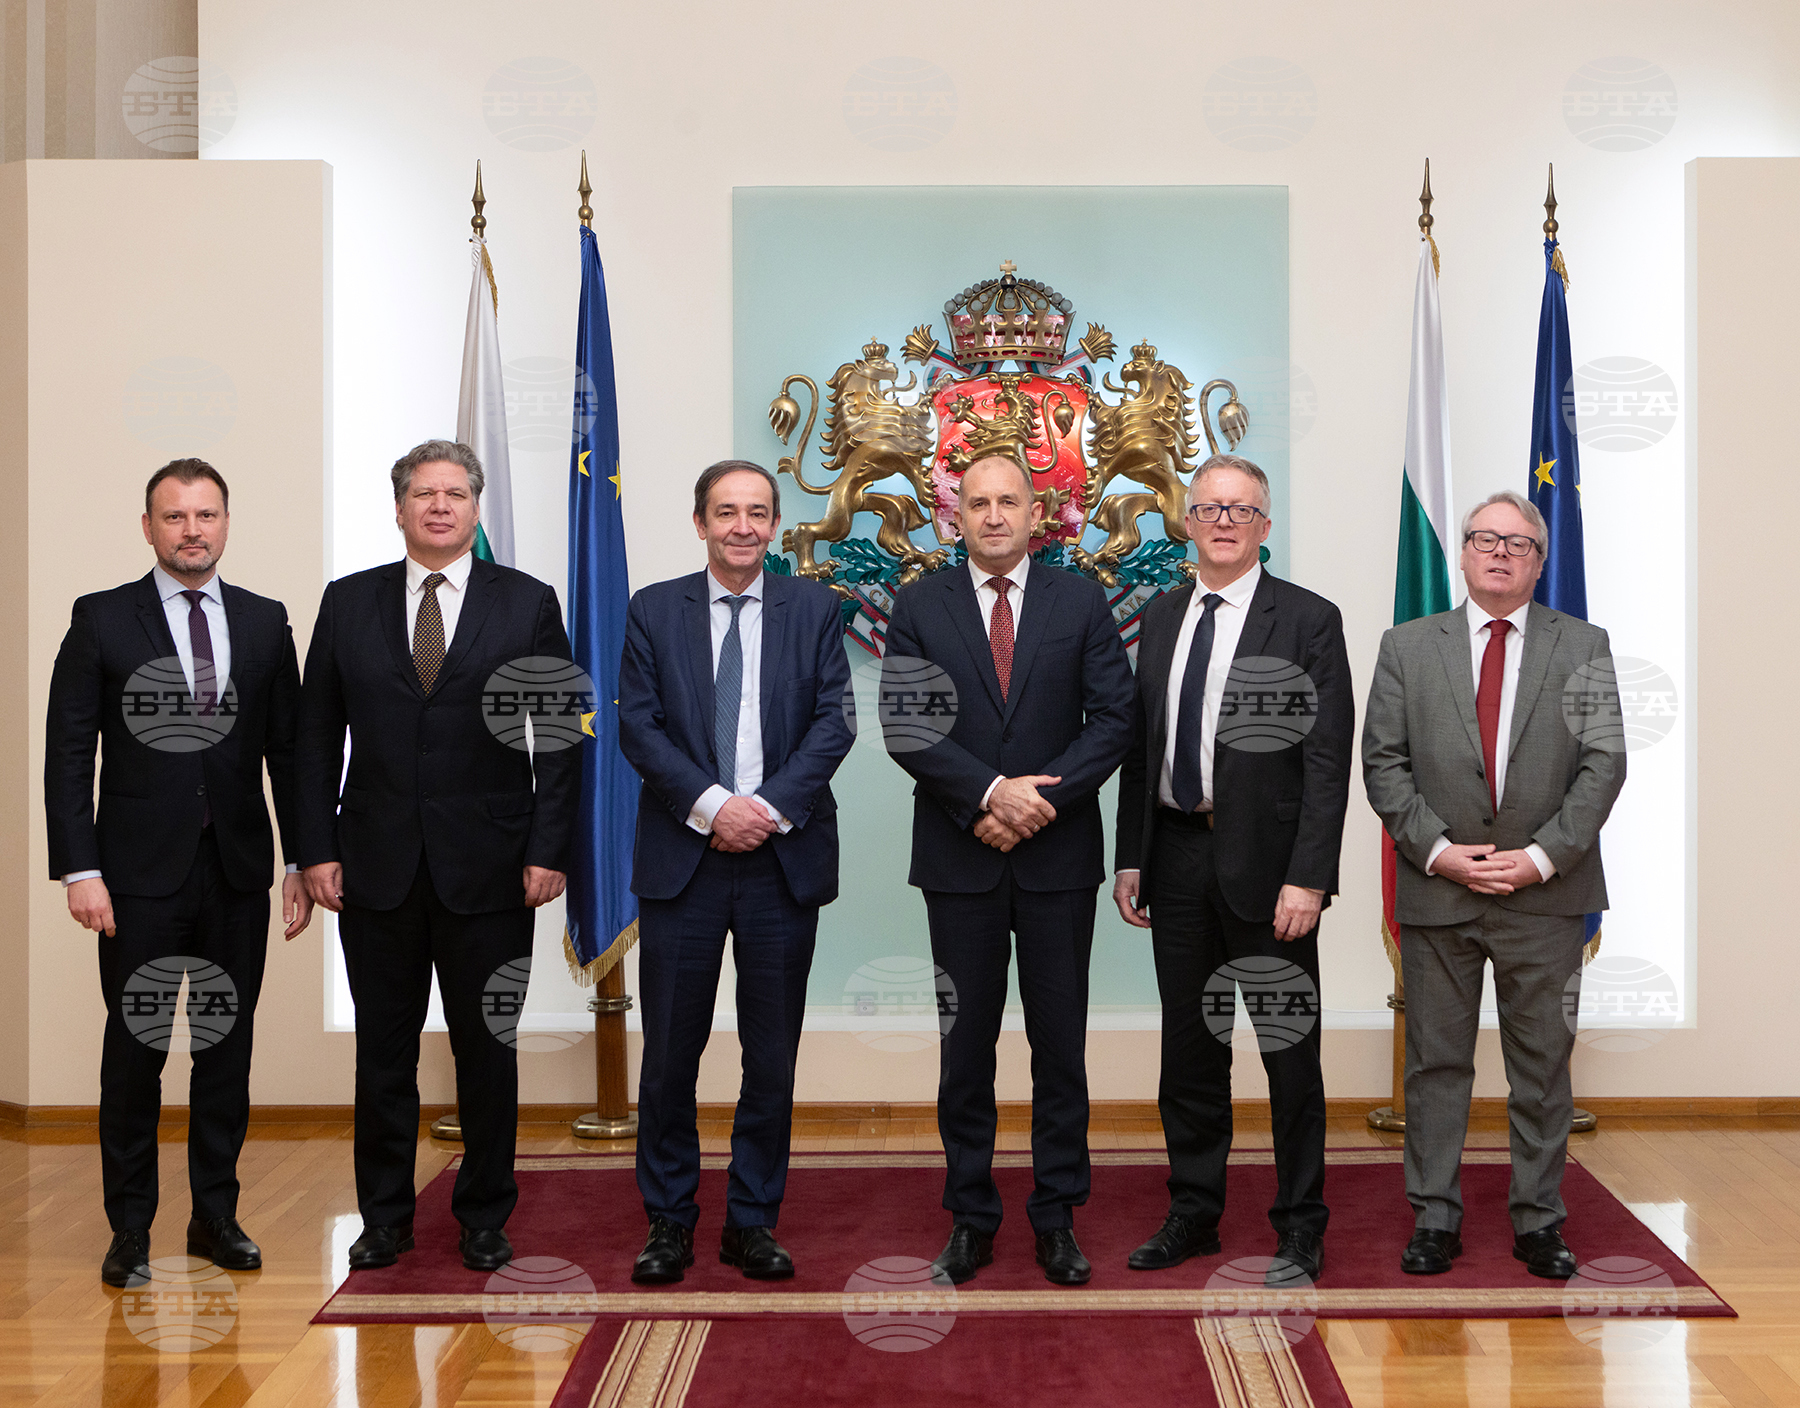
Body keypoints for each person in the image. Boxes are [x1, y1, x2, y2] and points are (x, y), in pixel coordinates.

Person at [297, 439, 581, 1273]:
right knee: (383, 1055)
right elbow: (315, 737)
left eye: (455, 493)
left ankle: (485, 1216)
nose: (440, 506)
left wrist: (549, 848)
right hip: (373, 868)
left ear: (475, 508)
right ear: (399, 509)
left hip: (492, 869)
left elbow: (559, 739)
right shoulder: (348, 602)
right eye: (424, 493)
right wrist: (314, 849)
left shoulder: (526, 602)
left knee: (486, 1050)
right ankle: (384, 1219)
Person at [45, 458, 312, 1287]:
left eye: (206, 515)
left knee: (226, 1050)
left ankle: (214, 1218)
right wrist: (79, 869)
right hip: (134, 878)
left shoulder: (265, 621)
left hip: (236, 871)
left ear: (226, 522)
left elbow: (289, 754)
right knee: (137, 1053)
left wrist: (300, 858)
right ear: (148, 527)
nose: (192, 530)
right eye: (174, 516)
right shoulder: (101, 619)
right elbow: (68, 754)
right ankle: (130, 1230)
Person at [883, 453, 1135, 1287]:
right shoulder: (920, 603)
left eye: (1008, 502)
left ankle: (1057, 1217)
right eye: (978, 503)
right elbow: (907, 724)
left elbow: (1115, 719)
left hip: (1058, 861)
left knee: (1060, 1049)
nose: (993, 516)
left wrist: (1037, 801)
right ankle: (971, 1218)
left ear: (1037, 513)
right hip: (960, 858)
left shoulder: (1080, 599)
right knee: (966, 1050)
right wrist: (990, 796)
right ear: (954, 515)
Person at [1363, 489, 1625, 1280]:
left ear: (1540, 561)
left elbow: (1604, 764)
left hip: (1547, 895)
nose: (1501, 552)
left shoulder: (1584, 645)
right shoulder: (1408, 646)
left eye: (1519, 543)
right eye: (1486, 538)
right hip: (1440, 890)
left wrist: (1542, 857)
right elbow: (1383, 763)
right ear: (1464, 553)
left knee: (1541, 1069)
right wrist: (1439, 851)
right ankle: (1434, 1220)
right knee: (1434, 1067)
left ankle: (1539, 1222)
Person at [1112, 453, 1353, 1283]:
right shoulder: (1161, 615)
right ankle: (1193, 1212)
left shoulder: (1308, 620)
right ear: (1187, 522)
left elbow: (1327, 761)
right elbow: (1142, 750)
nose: (1223, 521)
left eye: (1240, 509)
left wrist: (1310, 877)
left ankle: (1301, 1224)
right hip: (1175, 858)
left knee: (1289, 1054)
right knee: (1190, 1051)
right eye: (1209, 508)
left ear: (1264, 525)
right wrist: (1131, 859)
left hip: (1273, 869)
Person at [618, 459, 853, 1284]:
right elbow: (639, 729)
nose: (743, 526)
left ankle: (752, 1220)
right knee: (668, 1055)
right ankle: (669, 1221)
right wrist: (716, 806)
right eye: (726, 512)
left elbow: (834, 723)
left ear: (775, 524)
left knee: (771, 1053)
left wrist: (765, 810)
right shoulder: (653, 610)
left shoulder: (815, 609)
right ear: (700, 523)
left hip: (782, 858)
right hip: (684, 858)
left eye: (757, 512)